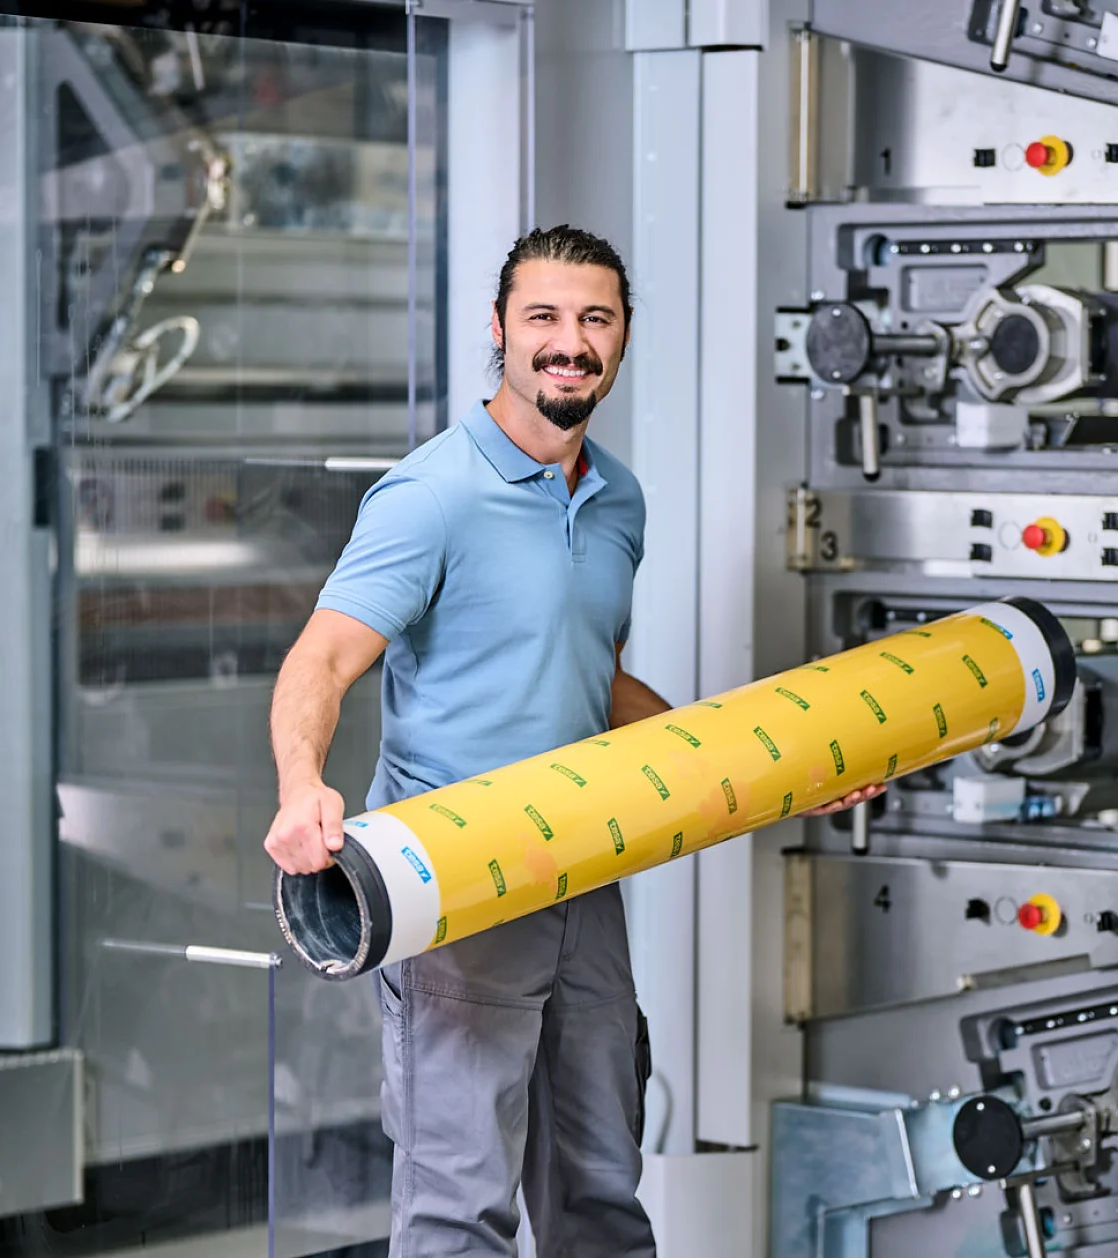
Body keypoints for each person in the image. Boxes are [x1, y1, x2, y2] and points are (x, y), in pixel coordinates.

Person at [261, 225, 881, 1256]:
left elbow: (596, 681)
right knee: (461, 1208)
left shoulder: (617, 498)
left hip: (585, 869)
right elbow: (321, 660)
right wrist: (300, 785)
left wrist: (770, 771)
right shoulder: (432, 495)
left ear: (622, 338)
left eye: (594, 318)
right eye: (544, 317)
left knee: (601, 1189)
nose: (569, 340)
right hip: (456, 876)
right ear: (500, 332)